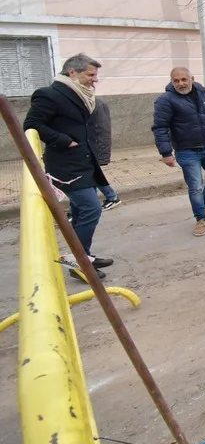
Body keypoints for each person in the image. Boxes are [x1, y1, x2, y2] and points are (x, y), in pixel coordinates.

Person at [23, 53, 114, 282]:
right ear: (72, 72)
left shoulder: (83, 94)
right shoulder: (49, 94)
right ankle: (78, 263)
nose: (95, 80)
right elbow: (32, 125)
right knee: (91, 209)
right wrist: (64, 140)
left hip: (84, 162)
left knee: (83, 211)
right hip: (66, 166)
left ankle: (85, 256)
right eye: (90, 75)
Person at [152, 67, 205, 237]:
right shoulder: (166, 100)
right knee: (195, 187)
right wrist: (166, 153)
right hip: (185, 151)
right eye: (176, 81)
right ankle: (200, 219)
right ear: (171, 82)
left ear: (192, 78)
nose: (181, 83)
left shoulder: (204, 93)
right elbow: (160, 128)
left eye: (184, 79)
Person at [91, 96, 122, 211]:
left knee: (90, 176)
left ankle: (110, 197)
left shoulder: (97, 104)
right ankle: (111, 197)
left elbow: (104, 131)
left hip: (93, 149)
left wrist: (102, 156)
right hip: (84, 150)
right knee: (92, 175)